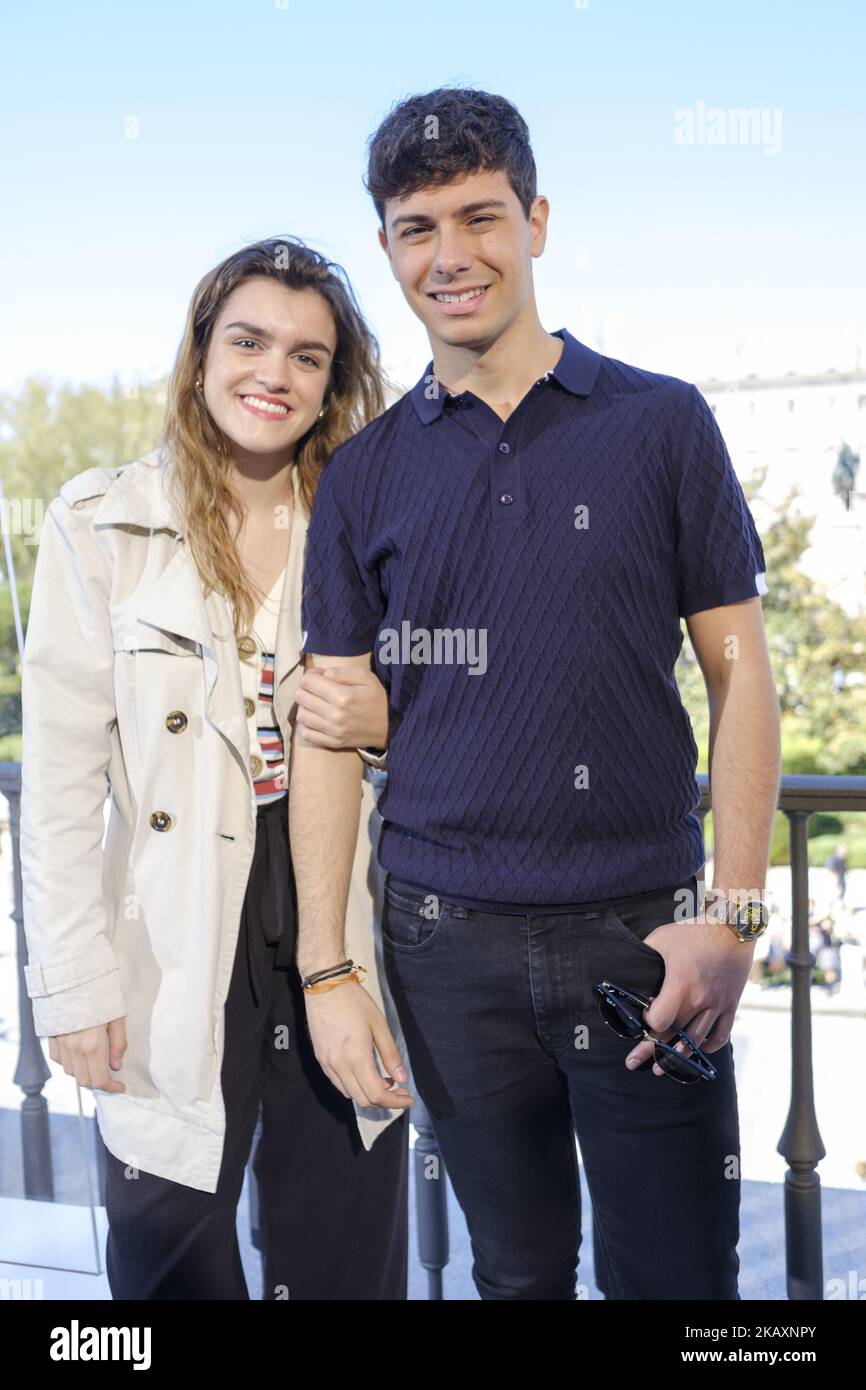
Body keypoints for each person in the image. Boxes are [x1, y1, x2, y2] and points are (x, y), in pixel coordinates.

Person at [290, 87, 782, 1301]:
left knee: (680, 1287)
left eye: (479, 216)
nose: (450, 256)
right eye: (416, 228)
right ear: (389, 247)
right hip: (439, 943)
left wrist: (732, 911)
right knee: (513, 1275)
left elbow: (741, 675)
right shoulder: (361, 474)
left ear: (536, 220)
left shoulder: (660, 424)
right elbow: (325, 735)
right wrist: (326, 971)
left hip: (642, 933)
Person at [19, 237, 412, 1300]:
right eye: (247, 341)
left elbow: (459, 716)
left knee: (342, 1257)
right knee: (166, 1264)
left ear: (333, 382)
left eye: (306, 356)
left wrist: (388, 717)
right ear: (199, 354)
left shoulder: (373, 526)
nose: (272, 375)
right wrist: (71, 984)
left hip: (338, 917)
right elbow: (54, 785)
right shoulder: (99, 524)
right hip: (171, 922)